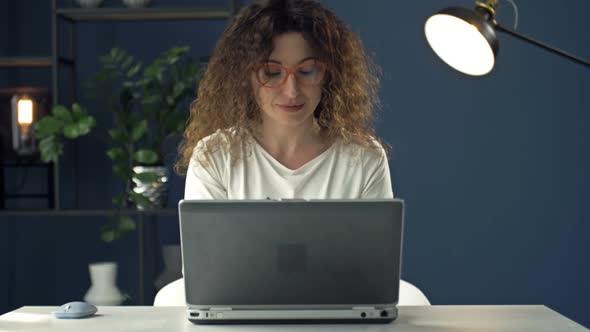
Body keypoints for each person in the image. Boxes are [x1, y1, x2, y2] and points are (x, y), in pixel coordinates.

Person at [176, 0, 393, 201]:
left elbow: (378, 244)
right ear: (245, 77)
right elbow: (207, 243)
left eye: (307, 71)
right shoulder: (215, 156)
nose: (291, 91)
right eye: (271, 73)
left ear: (329, 74)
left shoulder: (364, 159)